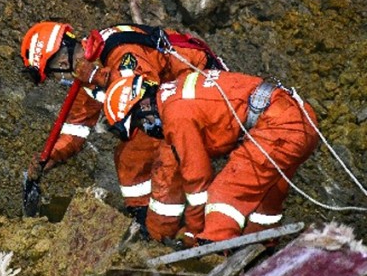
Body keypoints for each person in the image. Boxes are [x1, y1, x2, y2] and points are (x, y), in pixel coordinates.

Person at [20, 22, 225, 223]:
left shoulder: (116, 49)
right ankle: (145, 218)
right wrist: (49, 158)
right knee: (129, 156)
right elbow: (77, 128)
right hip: (174, 100)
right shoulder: (88, 71)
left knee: (156, 156)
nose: (58, 80)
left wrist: (96, 75)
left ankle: (169, 225)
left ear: (63, 61)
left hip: (206, 90)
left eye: (54, 74)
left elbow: (143, 88)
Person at [102, 70, 320, 245]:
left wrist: (197, 235)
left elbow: (197, 179)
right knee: (265, 201)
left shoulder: (176, 116)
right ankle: (260, 248)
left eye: (141, 123)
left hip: (280, 127)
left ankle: (214, 250)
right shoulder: (178, 89)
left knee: (224, 195)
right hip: (299, 118)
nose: (147, 130)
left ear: (144, 106)